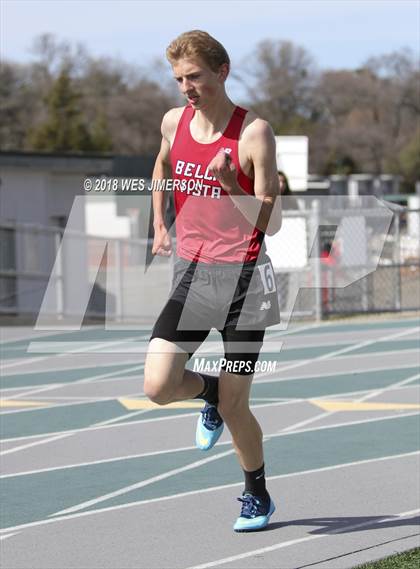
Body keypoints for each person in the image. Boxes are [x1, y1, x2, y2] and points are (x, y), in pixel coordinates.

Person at [144, 30, 282, 532]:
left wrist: (230, 187)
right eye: (180, 79)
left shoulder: (254, 134)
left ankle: (257, 494)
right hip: (194, 277)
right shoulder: (172, 121)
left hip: (246, 284)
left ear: (222, 72)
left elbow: (273, 220)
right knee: (158, 385)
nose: (187, 87)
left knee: (237, 404)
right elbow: (162, 164)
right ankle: (207, 397)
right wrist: (160, 222)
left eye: (195, 76)